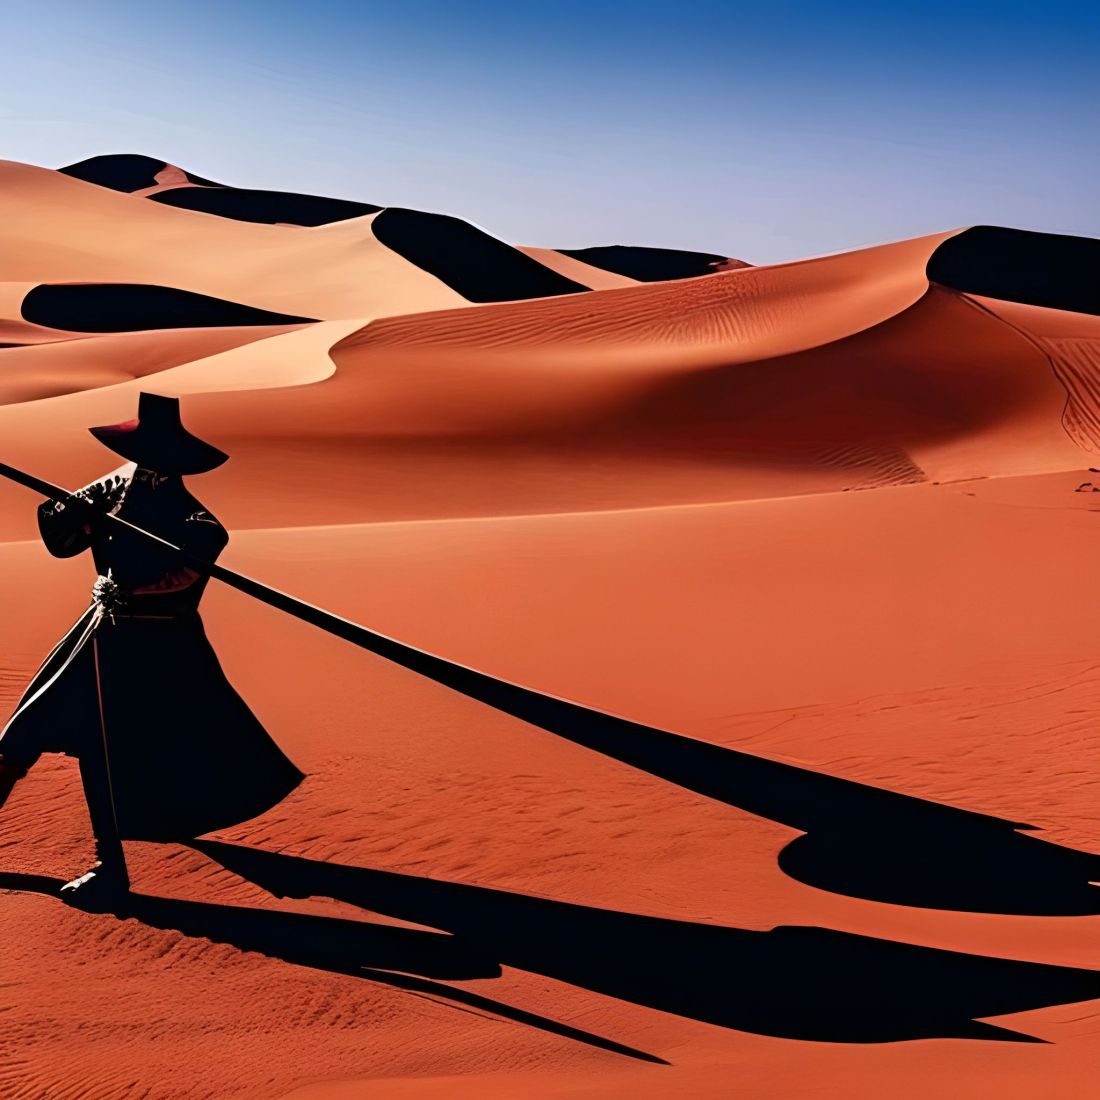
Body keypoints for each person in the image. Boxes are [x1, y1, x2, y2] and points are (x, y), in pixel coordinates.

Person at [0, 392, 303, 900]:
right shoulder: (113, 487)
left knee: (112, 751)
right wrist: (77, 511)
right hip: (99, 635)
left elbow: (188, 570)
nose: (145, 467)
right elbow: (61, 534)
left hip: (158, 651)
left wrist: (138, 581)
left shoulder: (197, 522)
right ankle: (112, 867)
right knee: (22, 734)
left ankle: (110, 871)